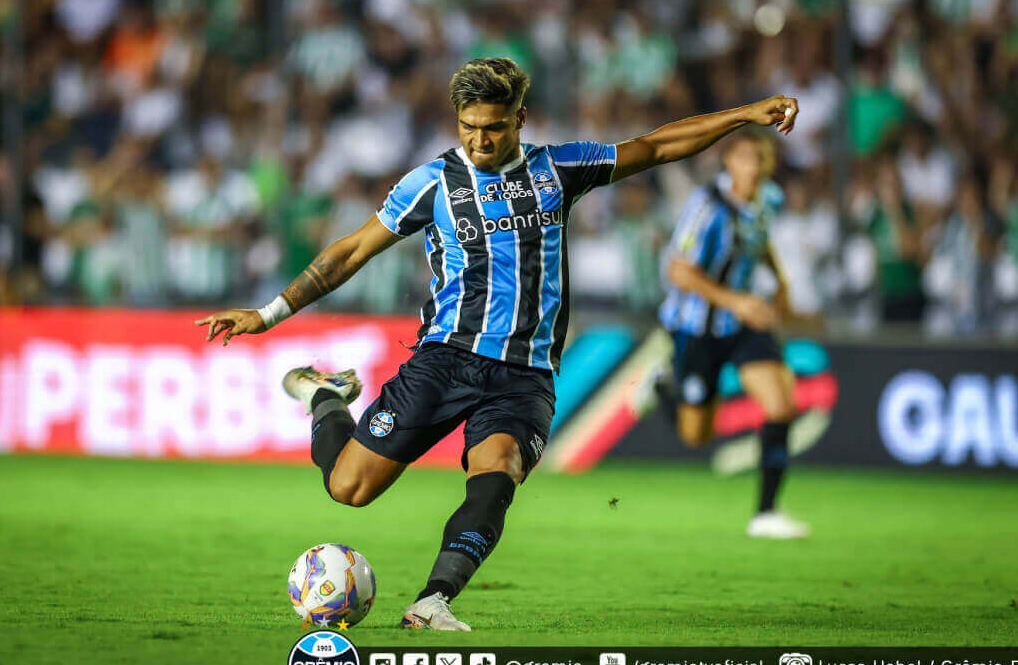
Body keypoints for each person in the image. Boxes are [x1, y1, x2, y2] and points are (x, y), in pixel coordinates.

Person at [195, 57, 798, 629]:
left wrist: (743, 114)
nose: (479, 141)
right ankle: (326, 395)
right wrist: (269, 312)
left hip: (525, 373)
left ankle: (434, 599)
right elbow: (352, 250)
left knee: (499, 470)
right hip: (446, 359)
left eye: (492, 127)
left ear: (520, 120)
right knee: (348, 490)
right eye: (468, 127)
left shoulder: (558, 170)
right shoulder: (432, 182)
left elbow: (661, 144)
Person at [637, 132, 811, 539]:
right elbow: (678, 270)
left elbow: (759, 239)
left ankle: (766, 513)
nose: (757, 167)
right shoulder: (706, 206)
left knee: (781, 406)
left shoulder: (769, 199)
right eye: (749, 158)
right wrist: (735, 301)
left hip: (744, 322)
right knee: (696, 436)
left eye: (764, 158)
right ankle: (663, 386)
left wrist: (781, 281)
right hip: (696, 326)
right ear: (729, 160)